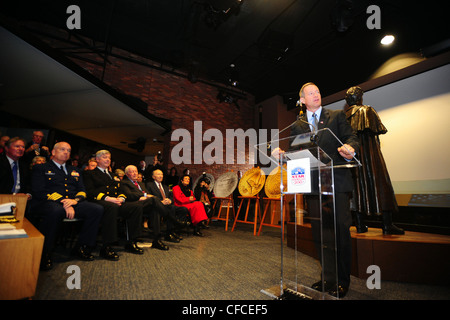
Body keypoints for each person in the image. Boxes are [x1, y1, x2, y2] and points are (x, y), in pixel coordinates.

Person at [273, 82, 358, 298]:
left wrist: (350, 148)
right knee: (321, 235)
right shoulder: (297, 125)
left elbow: (352, 137)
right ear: (302, 100)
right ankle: (328, 278)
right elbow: (294, 151)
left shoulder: (336, 116)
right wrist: (282, 155)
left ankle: (342, 281)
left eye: (318, 91)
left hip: (337, 181)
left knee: (340, 231)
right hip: (312, 185)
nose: (316, 95)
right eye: (310, 93)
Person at [31, 142, 104, 270]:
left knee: (96, 209)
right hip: (48, 202)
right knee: (56, 211)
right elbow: (39, 191)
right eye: (62, 149)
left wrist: (75, 200)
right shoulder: (41, 168)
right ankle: (45, 253)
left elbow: (82, 190)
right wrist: (64, 201)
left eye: (68, 150)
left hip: (73, 202)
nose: (66, 152)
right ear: (53, 152)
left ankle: (82, 247)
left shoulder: (74, 170)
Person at [344, 86, 404, 235]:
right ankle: (387, 225)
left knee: (356, 187)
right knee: (381, 183)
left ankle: (359, 224)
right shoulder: (367, 110)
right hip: (371, 155)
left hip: (354, 157)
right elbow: (379, 129)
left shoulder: (344, 116)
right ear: (359, 97)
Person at [82, 150, 145, 259]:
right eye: (104, 157)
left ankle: (131, 242)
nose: (107, 159)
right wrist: (108, 198)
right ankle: (107, 246)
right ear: (97, 159)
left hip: (115, 202)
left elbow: (121, 190)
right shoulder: (89, 173)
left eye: (109, 158)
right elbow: (90, 191)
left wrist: (121, 198)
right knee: (112, 207)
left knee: (136, 206)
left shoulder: (113, 175)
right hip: (100, 201)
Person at [121, 165, 186, 249]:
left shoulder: (141, 184)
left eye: (136, 171)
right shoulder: (124, 183)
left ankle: (156, 240)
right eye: (132, 172)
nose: (135, 173)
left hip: (146, 205)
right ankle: (174, 220)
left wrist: (147, 196)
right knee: (154, 200)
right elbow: (129, 195)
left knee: (155, 209)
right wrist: (143, 195)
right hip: (134, 204)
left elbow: (149, 194)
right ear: (126, 174)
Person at [146, 169, 190, 241]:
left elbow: (171, 197)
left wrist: (169, 200)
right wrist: (160, 201)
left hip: (167, 205)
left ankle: (174, 230)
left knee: (184, 209)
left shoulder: (165, 186)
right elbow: (149, 196)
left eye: (162, 174)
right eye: (158, 174)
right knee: (171, 208)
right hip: (157, 206)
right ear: (153, 177)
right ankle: (169, 233)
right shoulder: (149, 185)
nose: (161, 176)